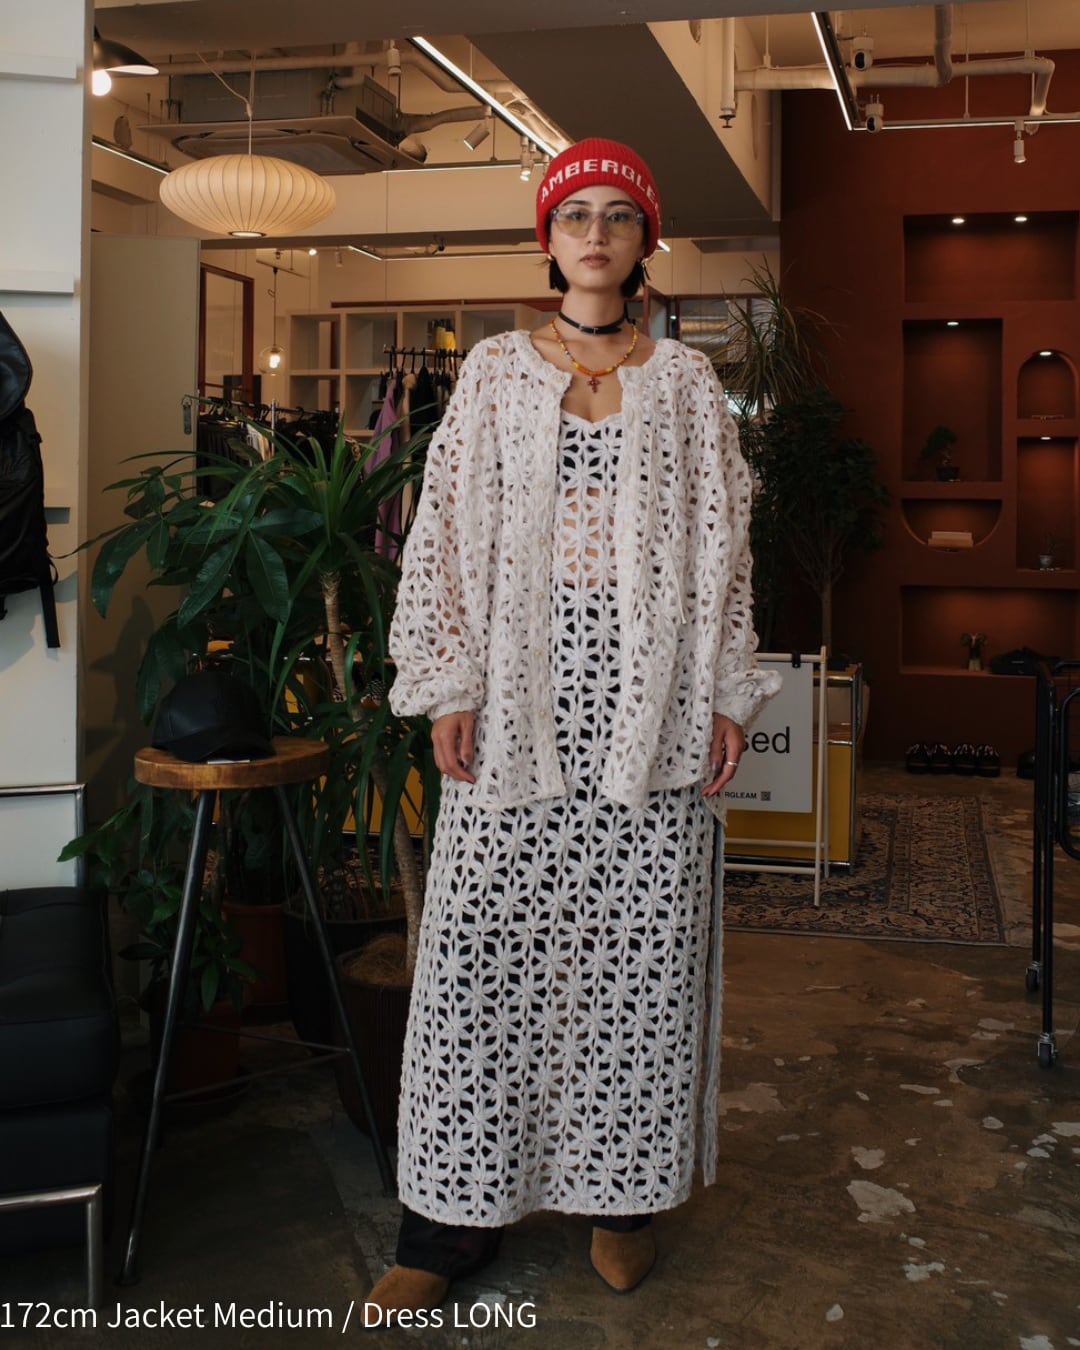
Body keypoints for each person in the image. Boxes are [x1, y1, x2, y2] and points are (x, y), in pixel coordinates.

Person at [374, 138, 780, 1318]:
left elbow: (725, 546)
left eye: (618, 216)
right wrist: (448, 682)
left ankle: (621, 1202)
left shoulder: (689, 384)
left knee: (637, 967)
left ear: (646, 241)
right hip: (516, 705)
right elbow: (443, 532)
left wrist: (726, 692)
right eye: (575, 216)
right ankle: (447, 1227)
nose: (595, 235)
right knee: (476, 965)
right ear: (548, 240)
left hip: (652, 713)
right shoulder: (496, 372)